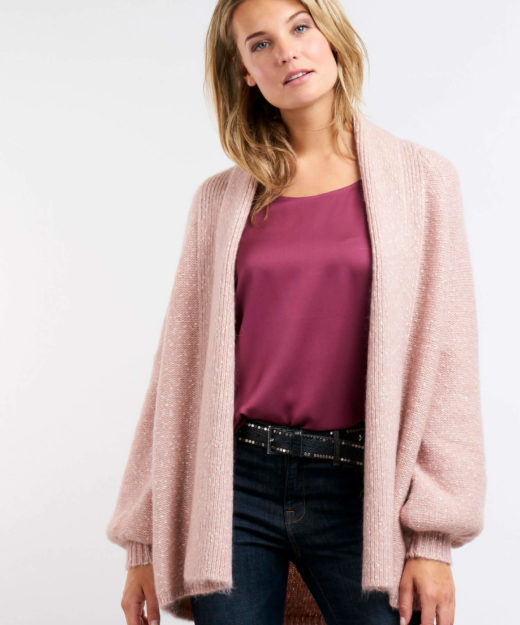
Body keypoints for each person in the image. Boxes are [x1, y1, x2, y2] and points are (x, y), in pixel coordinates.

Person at [107, 1, 487, 624]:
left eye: (300, 26)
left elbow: (447, 360)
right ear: (245, 73)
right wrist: (143, 537)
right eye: (259, 43)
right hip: (236, 488)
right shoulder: (219, 201)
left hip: (362, 488)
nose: (286, 50)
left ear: (330, 37)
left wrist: (432, 539)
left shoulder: (421, 182)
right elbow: (178, 372)